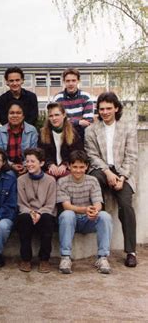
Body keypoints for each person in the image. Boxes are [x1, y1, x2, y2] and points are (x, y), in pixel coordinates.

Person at [85, 92, 138, 267]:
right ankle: (103, 253)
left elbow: (131, 156)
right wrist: (107, 172)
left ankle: (131, 251)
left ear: (116, 108)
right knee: (96, 192)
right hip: (101, 170)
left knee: (126, 206)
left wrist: (121, 177)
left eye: (109, 108)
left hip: (123, 173)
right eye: (101, 109)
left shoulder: (128, 128)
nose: (105, 112)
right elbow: (91, 155)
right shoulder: (91, 130)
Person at [57, 150, 113, 274]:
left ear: (87, 167)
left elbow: (98, 203)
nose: (78, 170)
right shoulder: (62, 182)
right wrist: (85, 209)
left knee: (105, 216)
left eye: (82, 167)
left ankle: (102, 257)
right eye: (75, 167)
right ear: (69, 166)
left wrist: (94, 211)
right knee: (67, 215)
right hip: (71, 221)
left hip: (89, 219)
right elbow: (66, 206)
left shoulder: (92, 180)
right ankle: (65, 257)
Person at [16, 148, 56, 273]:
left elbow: (50, 204)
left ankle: (44, 259)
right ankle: (26, 259)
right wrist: (31, 212)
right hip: (28, 213)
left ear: (42, 163)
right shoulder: (21, 180)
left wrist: (39, 213)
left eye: (33, 161)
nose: (29, 164)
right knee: (24, 219)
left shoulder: (50, 180)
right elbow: (21, 203)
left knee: (47, 220)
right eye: (27, 161)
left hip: (44, 213)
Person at [39, 102, 83, 179]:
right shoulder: (43, 133)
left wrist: (65, 164)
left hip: (68, 168)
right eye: (51, 116)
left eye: (57, 115)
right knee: (48, 178)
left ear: (64, 115)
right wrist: (50, 164)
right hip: (49, 168)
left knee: (66, 177)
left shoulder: (73, 133)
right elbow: (41, 153)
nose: (54, 118)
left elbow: (77, 153)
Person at [0, 100, 38, 176]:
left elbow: (33, 152)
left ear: (23, 116)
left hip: (28, 167)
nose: (15, 115)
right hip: (6, 167)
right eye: (12, 113)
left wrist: (26, 166)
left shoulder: (32, 130)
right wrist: (11, 166)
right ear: (7, 115)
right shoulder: (0, 131)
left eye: (18, 113)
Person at [52, 68, 94, 139]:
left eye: (73, 80)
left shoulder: (86, 97)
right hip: (63, 135)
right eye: (68, 81)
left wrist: (67, 121)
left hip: (82, 136)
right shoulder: (57, 99)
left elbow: (88, 122)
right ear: (64, 82)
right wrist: (78, 122)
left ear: (78, 81)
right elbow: (57, 121)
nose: (70, 83)